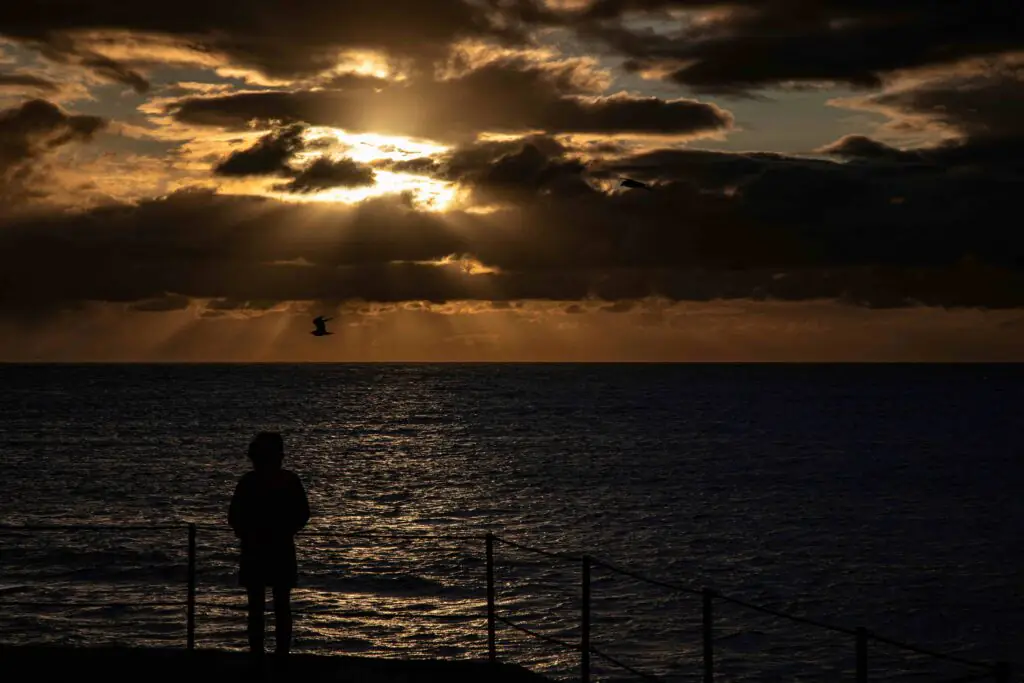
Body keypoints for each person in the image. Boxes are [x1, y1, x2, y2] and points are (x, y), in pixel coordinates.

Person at [228, 431, 311, 658]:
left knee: (258, 606)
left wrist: (247, 532)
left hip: (256, 548)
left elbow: (234, 515)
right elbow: (303, 513)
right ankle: (280, 654)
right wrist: (285, 530)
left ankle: (260, 655)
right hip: (279, 548)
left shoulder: (248, 483)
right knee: (279, 604)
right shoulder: (288, 481)